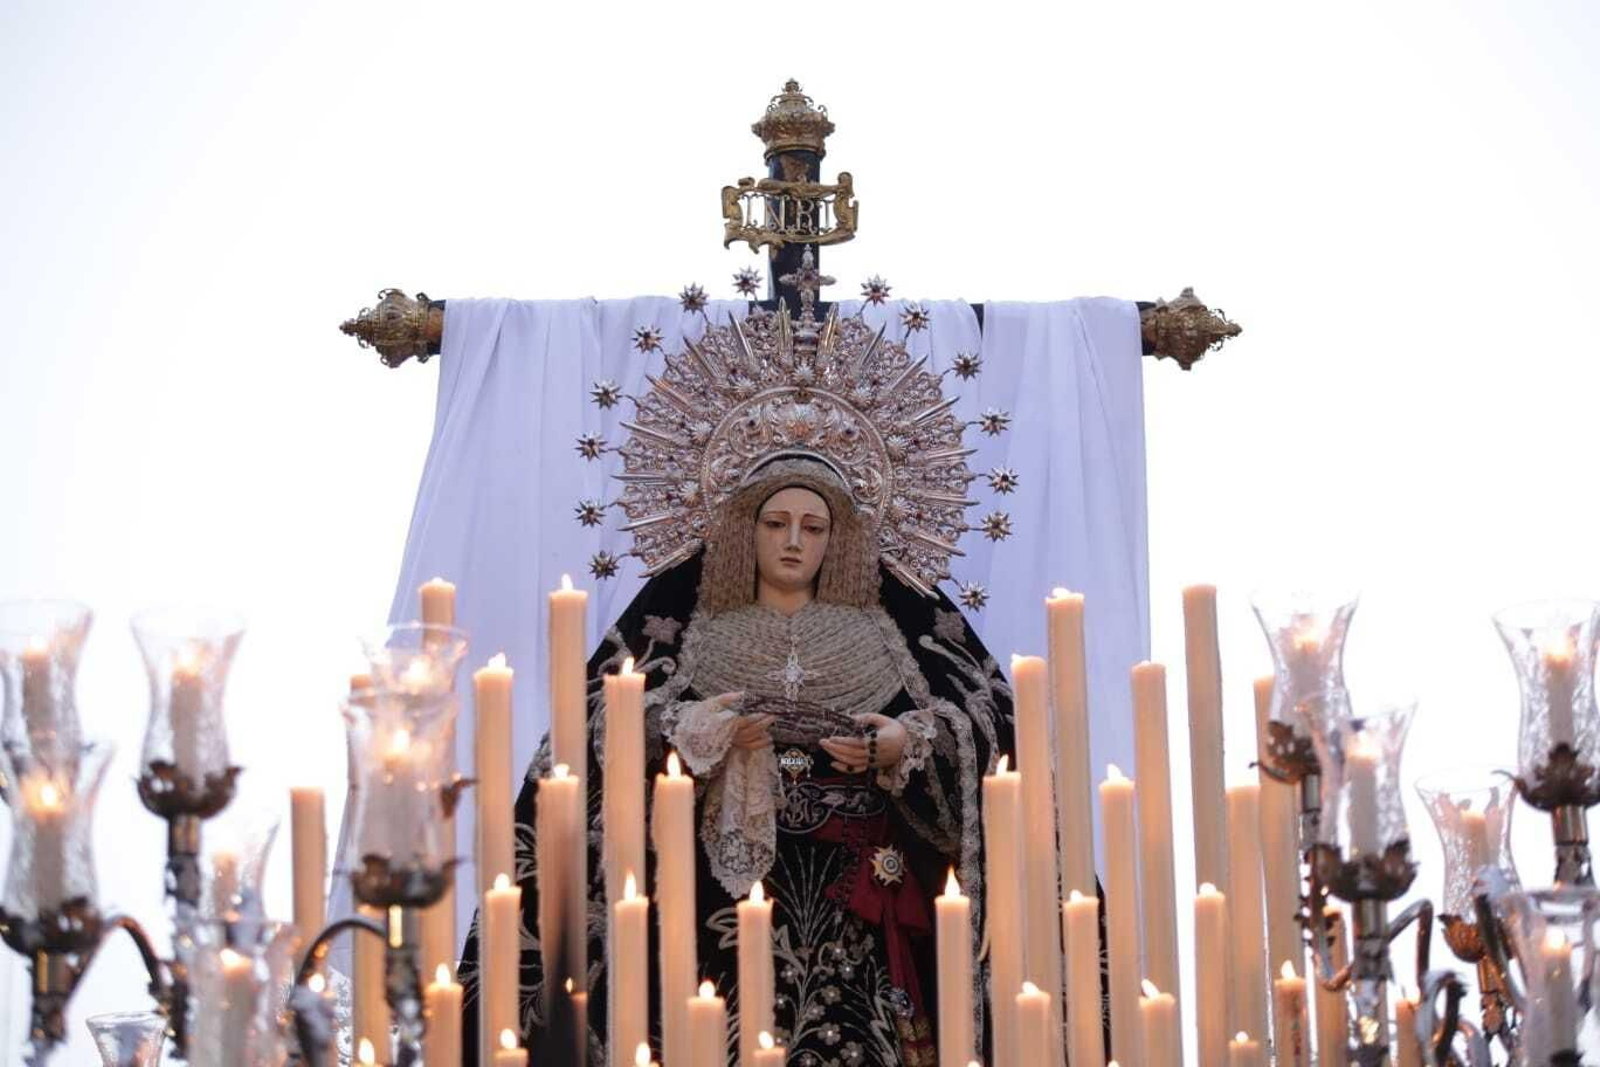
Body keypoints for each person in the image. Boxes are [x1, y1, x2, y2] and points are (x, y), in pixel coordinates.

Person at [456, 453, 1017, 1067]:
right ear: (746, 529)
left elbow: (989, 732)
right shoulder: (686, 627)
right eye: (776, 524)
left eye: (814, 526)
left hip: (857, 891)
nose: (794, 542)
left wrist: (903, 744)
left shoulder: (893, 630)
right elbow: (600, 728)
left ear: (840, 538)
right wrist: (692, 730)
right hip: (716, 893)